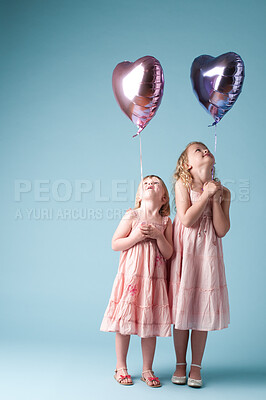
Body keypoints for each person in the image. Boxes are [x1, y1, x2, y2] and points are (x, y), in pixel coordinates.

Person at [100, 175, 173, 387]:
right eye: (146, 182)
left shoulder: (165, 222)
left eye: (156, 182)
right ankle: (120, 366)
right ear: (139, 195)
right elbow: (115, 243)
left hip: (154, 279)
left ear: (164, 197)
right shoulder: (131, 216)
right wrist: (136, 238)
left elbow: (169, 253)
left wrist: (158, 236)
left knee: (149, 323)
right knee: (124, 321)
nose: (150, 183)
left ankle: (147, 369)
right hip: (132, 277)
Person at [169, 142, 230, 388]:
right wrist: (205, 194)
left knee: (202, 309)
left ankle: (196, 366)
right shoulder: (183, 185)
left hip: (207, 255)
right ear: (187, 165)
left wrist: (214, 197)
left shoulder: (224, 192)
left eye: (206, 148)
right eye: (197, 150)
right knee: (184, 308)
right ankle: (180, 364)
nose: (204, 150)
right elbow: (186, 219)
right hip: (186, 252)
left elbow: (222, 229)